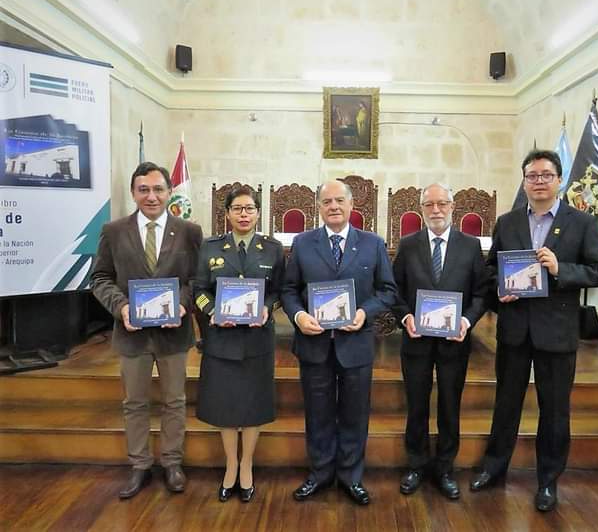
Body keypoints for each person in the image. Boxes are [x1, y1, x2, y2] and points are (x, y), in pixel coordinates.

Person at [469, 150, 598, 512]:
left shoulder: (581, 223)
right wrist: (500, 291)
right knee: (506, 405)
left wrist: (560, 268)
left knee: (554, 410)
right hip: (515, 330)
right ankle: (494, 468)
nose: (539, 182)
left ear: (559, 180)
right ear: (524, 181)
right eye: (532, 176)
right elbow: (490, 270)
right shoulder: (508, 221)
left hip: (557, 333)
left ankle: (548, 481)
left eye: (546, 175)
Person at [91, 162, 202, 499]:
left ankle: (171, 462)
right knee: (135, 402)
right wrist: (122, 307)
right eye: (144, 189)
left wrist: (182, 306)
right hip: (132, 333)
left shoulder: (189, 231)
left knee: (174, 400)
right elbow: (100, 278)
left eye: (158, 189)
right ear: (133, 193)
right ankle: (140, 465)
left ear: (170, 192)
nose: (151, 196)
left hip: (173, 332)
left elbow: (197, 280)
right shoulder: (113, 231)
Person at [281, 180, 396, 506]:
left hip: (355, 344)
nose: (333, 206)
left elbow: (388, 291)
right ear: (318, 207)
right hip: (314, 344)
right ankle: (319, 474)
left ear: (351, 205)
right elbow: (289, 290)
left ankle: (350, 477)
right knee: (317, 413)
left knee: (354, 414)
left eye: (339, 201)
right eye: (327, 201)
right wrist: (300, 317)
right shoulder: (302, 243)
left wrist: (364, 311)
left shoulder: (373, 244)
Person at [392, 183, 490, 500]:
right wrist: (406, 318)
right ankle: (417, 465)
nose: (436, 210)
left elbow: (480, 293)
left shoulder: (471, 246)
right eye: (429, 204)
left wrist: (466, 321)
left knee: (450, 405)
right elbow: (395, 291)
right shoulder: (408, 245)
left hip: (454, 341)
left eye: (442, 203)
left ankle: (445, 467)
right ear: (421, 208)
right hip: (416, 342)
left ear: (452, 206)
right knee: (417, 405)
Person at [193, 185, 284, 503]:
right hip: (222, 338)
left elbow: (279, 291)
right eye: (237, 209)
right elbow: (198, 288)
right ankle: (230, 465)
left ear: (258, 212)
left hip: (257, 339)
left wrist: (267, 308)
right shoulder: (210, 247)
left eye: (249, 208)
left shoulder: (272, 249)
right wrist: (212, 310)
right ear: (227, 213)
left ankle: (247, 465)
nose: (244, 214)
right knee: (226, 403)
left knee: (254, 403)